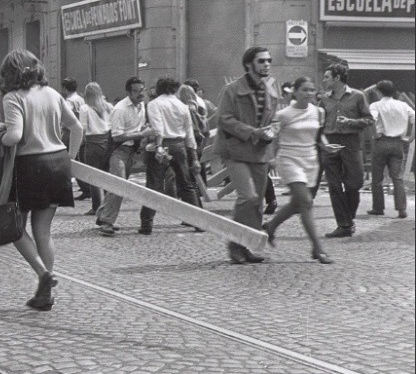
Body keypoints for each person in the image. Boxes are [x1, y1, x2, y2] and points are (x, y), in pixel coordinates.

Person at [0, 49, 83, 311]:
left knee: (14, 228)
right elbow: (77, 128)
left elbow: (14, 136)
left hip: (30, 165)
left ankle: (43, 274)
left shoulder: (13, 97)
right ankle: (44, 293)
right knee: (43, 231)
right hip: (58, 163)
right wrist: (69, 158)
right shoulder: (54, 94)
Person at [263, 77, 342, 264]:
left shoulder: (319, 112)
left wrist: (326, 146)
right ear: (295, 92)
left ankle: (270, 226)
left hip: (310, 160)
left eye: (312, 89)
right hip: (289, 159)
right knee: (306, 201)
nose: (309, 93)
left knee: (298, 204)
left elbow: (319, 135)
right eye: (305, 89)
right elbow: (271, 135)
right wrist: (271, 157)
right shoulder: (284, 114)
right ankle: (318, 248)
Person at [214, 46, 281, 264]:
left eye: (269, 60)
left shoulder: (271, 91)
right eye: (262, 61)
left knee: (257, 203)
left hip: (260, 151)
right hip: (235, 150)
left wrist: (271, 134)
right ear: (248, 64)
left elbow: (272, 121)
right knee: (248, 197)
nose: (267, 64)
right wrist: (253, 132)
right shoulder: (232, 89)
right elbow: (224, 119)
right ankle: (234, 245)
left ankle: (247, 246)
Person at [139, 78, 202, 234]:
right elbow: (189, 133)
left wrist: (158, 146)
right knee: (187, 184)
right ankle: (199, 222)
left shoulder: (154, 104)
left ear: (159, 88)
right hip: (180, 146)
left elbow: (158, 127)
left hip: (163, 145)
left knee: (153, 185)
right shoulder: (182, 106)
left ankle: (147, 224)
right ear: (175, 89)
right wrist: (193, 157)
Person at [96, 77, 157, 236]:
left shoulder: (142, 105)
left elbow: (138, 126)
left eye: (142, 90)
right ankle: (107, 223)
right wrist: (141, 134)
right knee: (119, 186)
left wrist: (143, 130)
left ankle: (102, 215)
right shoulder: (120, 109)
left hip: (132, 150)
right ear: (128, 92)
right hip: (118, 150)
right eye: (137, 91)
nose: (140, 94)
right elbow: (116, 136)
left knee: (116, 185)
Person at [319, 63, 373, 238]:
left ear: (337, 78)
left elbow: (369, 119)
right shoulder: (324, 99)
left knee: (354, 184)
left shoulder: (358, 96)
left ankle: (348, 219)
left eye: (327, 77)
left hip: (351, 142)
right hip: (330, 143)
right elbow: (318, 122)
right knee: (334, 185)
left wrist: (351, 122)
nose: (324, 80)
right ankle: (344, 225)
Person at [367, 80, 414, 219]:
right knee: (397, 177)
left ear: (379, 92)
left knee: (377, 177)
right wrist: (410, 138)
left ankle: (378, 207)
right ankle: (401, 209)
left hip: (381, 142)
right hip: (398, 143)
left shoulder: (375, 105)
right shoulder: (403, 105)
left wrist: (375, 135)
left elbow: (371, 120)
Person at [77, 82, 113, 216]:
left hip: (92, 144)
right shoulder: (109, 107)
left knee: (93, 177)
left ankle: (96, 206)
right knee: (106, 175)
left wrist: (80, 145)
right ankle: (107, 206)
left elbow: (83, 128)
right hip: (107, 143)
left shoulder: (85, 108)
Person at [60, 77, 90, 201]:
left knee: (66, 160)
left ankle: (68, 189)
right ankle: (86, 188)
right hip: (82, 132)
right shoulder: (81, 99)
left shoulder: (68, 102)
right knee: (79, 160)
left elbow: (65, 118)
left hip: (70, 132)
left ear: (65, 88)